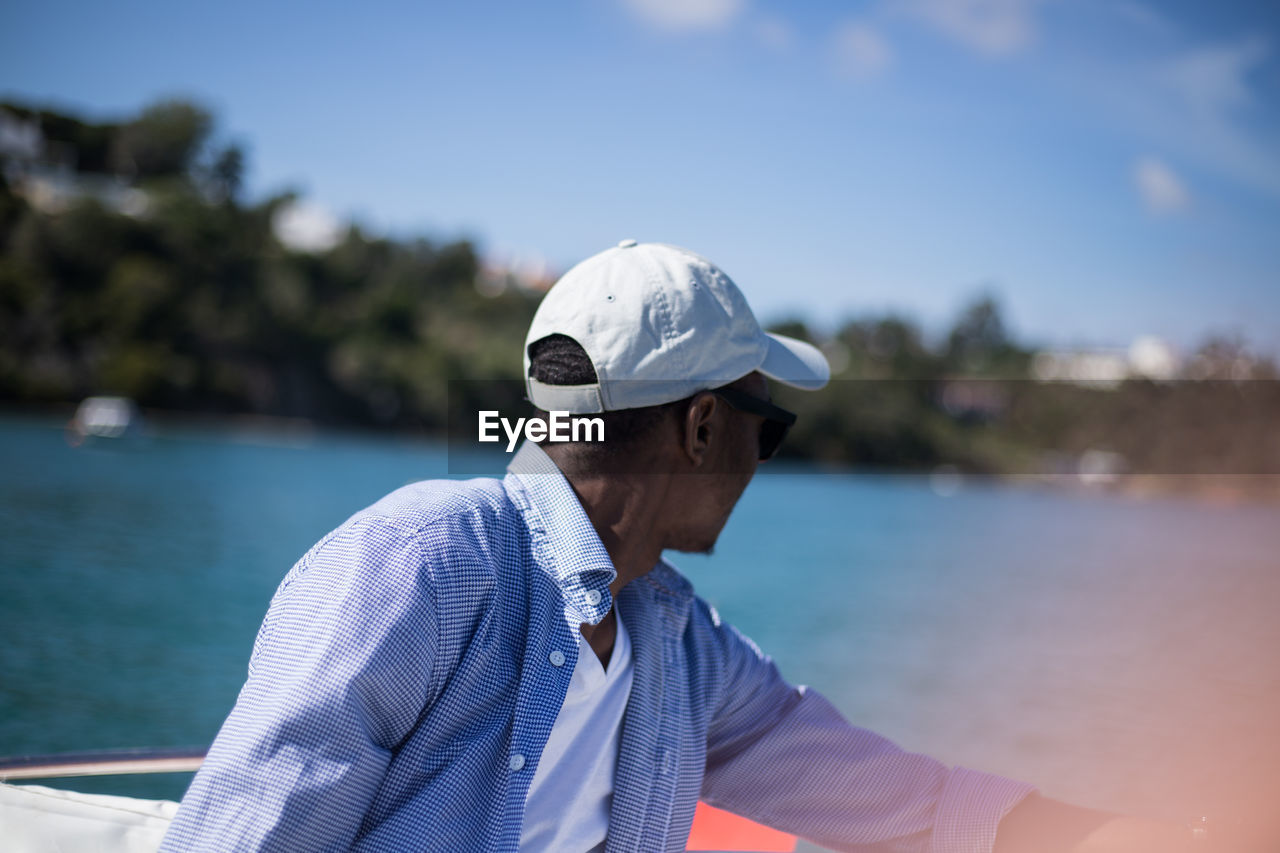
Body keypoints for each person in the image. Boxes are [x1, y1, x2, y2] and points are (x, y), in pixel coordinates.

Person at [162, 240, 1216, 852]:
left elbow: (895, 796)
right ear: (702, 427)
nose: (761, 461)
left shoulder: (671, 640)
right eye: (766, 427)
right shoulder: (420, 565)